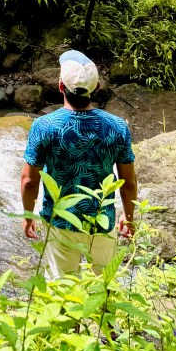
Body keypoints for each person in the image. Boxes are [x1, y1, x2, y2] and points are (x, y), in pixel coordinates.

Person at [20, 49, 138, 278]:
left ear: (60, 86)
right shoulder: (117, 126)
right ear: (97, 88)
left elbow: (29, 181)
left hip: (60, 221)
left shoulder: (44, 126)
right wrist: (129, 217)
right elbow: (128, 182)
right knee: (103, 286)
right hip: (102, 220)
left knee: (62, 289)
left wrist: (28, 215)